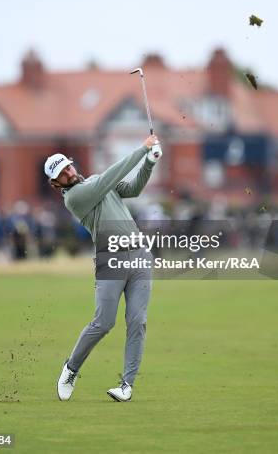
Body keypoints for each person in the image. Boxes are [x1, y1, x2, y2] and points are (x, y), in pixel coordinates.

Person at [44, 135, 162, 402]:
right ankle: (71, 368)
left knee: (137, 321)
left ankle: (127, 386)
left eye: (68, 167)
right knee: (104, 322)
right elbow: (111, 176)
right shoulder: (75, 197)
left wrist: (150, 163)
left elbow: (133, 189)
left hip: (140, 256)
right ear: (56, 184)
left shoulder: (96, 182)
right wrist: (142, 149)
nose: (68, 173)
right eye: (62, 174)